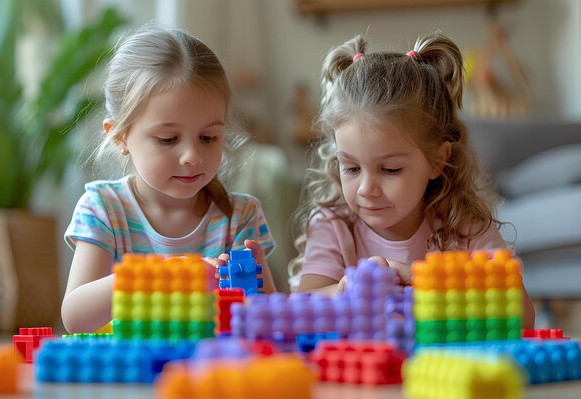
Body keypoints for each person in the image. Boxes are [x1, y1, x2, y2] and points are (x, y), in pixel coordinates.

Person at [288, 32, 534, 328]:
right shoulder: (335, 225)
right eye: (351, 168)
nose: (367, 189)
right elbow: (302, 307)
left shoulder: (464, 226)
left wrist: (423, 280)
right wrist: (345, 291)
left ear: (438, 160)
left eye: (390, 169)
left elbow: (522, 316)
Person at [62, 24, 276, 334]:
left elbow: (270, 323)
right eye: (167, 138)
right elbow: (76, 317)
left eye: (208, 137)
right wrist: (157, 276)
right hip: (129, 376)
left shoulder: (240, 217)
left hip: (210, 373)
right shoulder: (103, 210)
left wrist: (255, 290)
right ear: (120, 137)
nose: (192, 156)